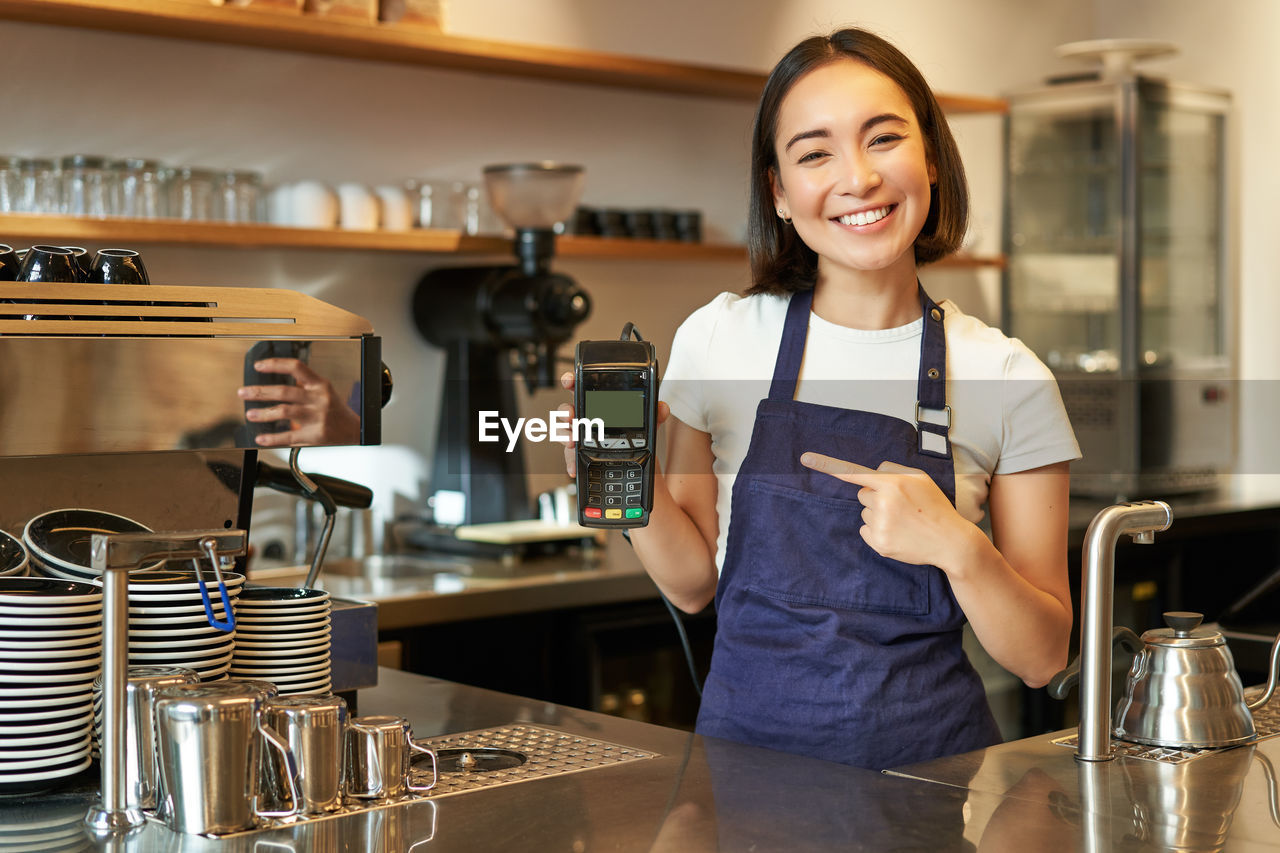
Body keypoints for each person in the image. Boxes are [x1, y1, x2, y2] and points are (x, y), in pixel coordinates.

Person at [560, 28, 1080, 770]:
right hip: (743, 785)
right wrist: (615, 474)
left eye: (883, 138)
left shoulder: (1008, 374)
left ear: (930, 155)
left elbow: (1042, 655)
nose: (858, 178)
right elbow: (693, 581)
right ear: (777, 189)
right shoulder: (719, 338)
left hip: (931, 790)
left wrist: (959, 548)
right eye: (814, 153)